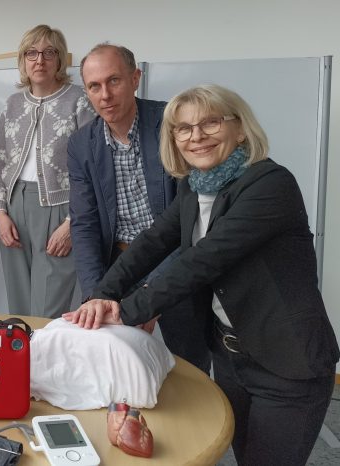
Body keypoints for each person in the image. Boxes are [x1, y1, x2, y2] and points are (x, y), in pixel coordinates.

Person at [65, 84, 340, 466]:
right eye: (183, 128)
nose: (196, 136)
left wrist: (126, 311)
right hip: (231, 355)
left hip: (285, 362)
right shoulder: (193, 188)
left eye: (211, 123)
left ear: (240, 129)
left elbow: (203, 261)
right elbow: (152, 242)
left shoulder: (269, 184)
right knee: (244, 455)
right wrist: (101, 294)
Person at [67, 43, 210, 371]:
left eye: (113, 81)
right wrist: (95, 295)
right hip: (120, 263)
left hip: (178, 261)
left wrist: (153, 294)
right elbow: (85, 224)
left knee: (189, 362)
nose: (105, 94)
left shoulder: (172, 126)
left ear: (135, 78)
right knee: (112, 362)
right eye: (94, 86)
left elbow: (190, 222)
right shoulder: (81, 145)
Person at [0, 25, 94, 317]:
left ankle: (43, 363)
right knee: (19, 309)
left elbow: (95, 170)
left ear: (60, 60)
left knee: (46, 311)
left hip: (61, 211)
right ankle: (22, 363)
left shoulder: (80, 101)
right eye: (31, 53)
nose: (40, 60)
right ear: (23, 59)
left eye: (49, 52)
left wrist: (73, 223)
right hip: (13, 208)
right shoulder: (12, 104)